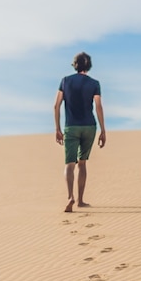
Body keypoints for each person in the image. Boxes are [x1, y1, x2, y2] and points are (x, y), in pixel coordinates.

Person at [54, 52, 106, 212]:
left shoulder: (65, 81)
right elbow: (98, 106)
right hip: (89, 126)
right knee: (82, 163)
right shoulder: (94, 83)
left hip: (71, 127)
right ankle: (81, 200)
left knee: (69, 164)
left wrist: (57, 128)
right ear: (88, 65)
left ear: (75, 65)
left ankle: (70, 197)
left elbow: (56, 105)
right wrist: (103, 130)